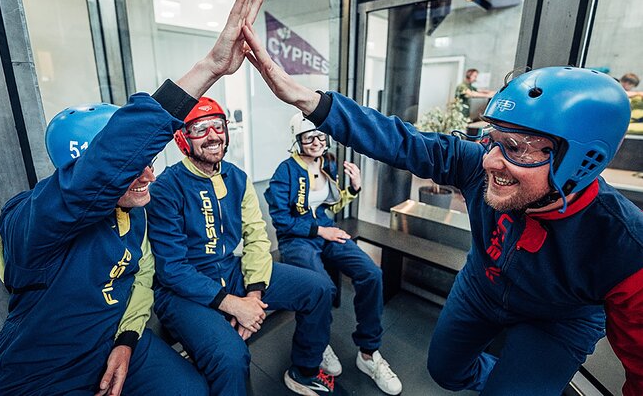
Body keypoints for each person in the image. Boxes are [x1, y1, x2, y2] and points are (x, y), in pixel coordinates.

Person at [241, 21, 643, 396]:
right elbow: (401, 140)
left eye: (517, 148)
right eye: (493, 139)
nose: (490, 161)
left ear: (582, 160)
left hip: (556, 322)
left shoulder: (624, 243)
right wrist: (306, 100)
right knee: (446, 372)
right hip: (482, 287)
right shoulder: (479, 165)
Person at [0, 0, 266, 396]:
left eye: (149, 163)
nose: (149, 175)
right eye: (134, 168)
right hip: (43, 371)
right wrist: (207, 69)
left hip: (113, 344)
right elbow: (101, 172)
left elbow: (142, 272)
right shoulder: (31, 221)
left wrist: (125, 339)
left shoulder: (134, 213)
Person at [145, 99, 339, 396]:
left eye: (218, 126)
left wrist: (253, 298)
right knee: (232, 356)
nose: (212, 135)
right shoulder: (166, 188)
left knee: (318, 288)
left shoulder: (237, 177)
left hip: (230, 270)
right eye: (199, 128)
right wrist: (234, 305)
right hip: (181, 290)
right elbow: (172, 269)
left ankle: (304, 371)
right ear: (182, 137)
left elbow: (256, 237)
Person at [264, 112, 403, 395]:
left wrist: (354, 188)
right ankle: (316, 344)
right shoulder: (285, 171)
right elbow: (280, 218)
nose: (316, 142)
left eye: (320, 136)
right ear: (297, 140)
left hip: (326, 230)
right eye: (308, 137)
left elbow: (332, 207)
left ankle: (368, 354)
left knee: (371, 274)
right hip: (297, 239)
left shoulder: (328, 164)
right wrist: (319, 231)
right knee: (322, 288)